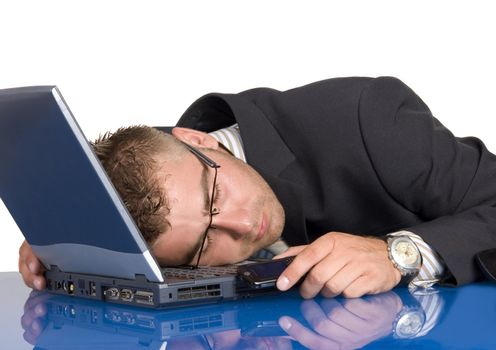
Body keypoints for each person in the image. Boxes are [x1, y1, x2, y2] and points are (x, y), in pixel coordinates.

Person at [18, 76, 496, 299]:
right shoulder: (171, 176)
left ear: (199, 140)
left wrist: (398, 255)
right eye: (207, 242)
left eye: (214, 196)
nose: (244, 225)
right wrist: (72, 240)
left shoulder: (367, 119)